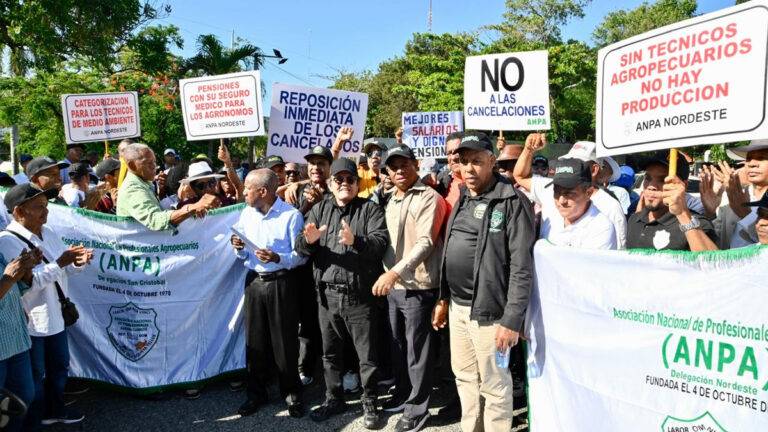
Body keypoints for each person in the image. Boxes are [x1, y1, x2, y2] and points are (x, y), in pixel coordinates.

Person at [432, 132, 535, 432]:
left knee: (494, 385)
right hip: (459, 310)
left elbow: (522, 266)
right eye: (464, 162)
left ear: (492, 161)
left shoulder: (512, 201)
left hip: (493, 315)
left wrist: (512, 319)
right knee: (465, 378)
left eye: (477, 161)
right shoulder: (463, 196)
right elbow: (450, 249)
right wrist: (443, 298)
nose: (469, 169)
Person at [295, 158, 389, 429]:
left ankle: (370, 401)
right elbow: (301, 247)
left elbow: (380, 243)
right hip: (327, 297)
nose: (344, 184)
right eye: (339, 179)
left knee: (367, 356)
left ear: (357, 184)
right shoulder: (319, 210)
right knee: (330, 354)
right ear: (330, 183)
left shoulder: (370, 209)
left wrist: (356, 241)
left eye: (350, 179)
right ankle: (333, 398)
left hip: (359, 296)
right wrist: (309, 242)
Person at [0, 183, 94, 429]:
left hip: (56, 317)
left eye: (46, 206)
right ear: (20, 211)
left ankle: (55, 410)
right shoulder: (7, 241)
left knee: (59, 367)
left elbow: (61, 274)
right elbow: (28, 283)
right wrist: (60, 263)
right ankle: (34, 420)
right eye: (38, 207)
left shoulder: (48, 232)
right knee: (33, 379)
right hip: (32, 321)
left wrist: (78, 263)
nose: (46, 212)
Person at [373, 145, 446, 432]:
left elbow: (426, 242)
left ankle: (418, 409)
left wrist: (393, 273)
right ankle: (404, 394)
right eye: (393, 166)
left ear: (416, 165)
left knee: (418, 351)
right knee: (398, 346)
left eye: (405, 164)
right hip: (394, 285)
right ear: (387, 172)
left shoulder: (430, 197)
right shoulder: (390, 199)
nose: (399, 170)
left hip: (418, 284)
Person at [230, 169, 306, 419]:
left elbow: (300, 256)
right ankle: (256, 393)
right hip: (254, 282)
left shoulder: (291, 216)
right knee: (255, 341)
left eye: (248, 188)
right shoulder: (246, 213)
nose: (244, 192)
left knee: (284, 341)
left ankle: (292, 393)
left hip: (280, 283)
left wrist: (278, 257)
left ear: (263, 191)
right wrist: (238, 247)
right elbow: (239, 249)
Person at [514, 134, 620, 249]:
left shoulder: (606, 220)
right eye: (557, 192)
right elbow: (520, 176)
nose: (561, 200)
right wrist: (528, 150)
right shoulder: (548, 190)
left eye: (570, 193)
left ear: (588, 193)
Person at [627, 153, 718, 251]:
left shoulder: (699, 224)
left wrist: (682, 214)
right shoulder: (634, 219)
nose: (651, 186)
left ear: (684, 185)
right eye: (648, 178)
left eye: (663, 180)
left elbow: (712, 263)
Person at [116, 143, 217, 231]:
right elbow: (155, 220)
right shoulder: (132, 189)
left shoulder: (144, 184)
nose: (154, 166)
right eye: (148, 163)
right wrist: (193, 207)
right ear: (132, 165)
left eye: (154, 162)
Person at [0, 224, 42, 432]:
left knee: (24, 397)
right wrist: (9, 278)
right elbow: (7, 282)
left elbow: (17, 289)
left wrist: (26, 272)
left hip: (15, 338)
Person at [704, 139, 768, 248]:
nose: (752, 164)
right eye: (748, 159)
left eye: (761, 158)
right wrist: (710, 213)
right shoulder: (732, 194)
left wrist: (745, 215)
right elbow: (716, 238)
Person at [332, 127, 383, 198]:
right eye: (370, 153)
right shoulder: (360, 174)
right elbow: (333, 168)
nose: (374, 156)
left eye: (378, 153)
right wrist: (338, 144)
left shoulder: (396, 176)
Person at [284, 145, 333, 215]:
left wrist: (320, 204)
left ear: (330, 167)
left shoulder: (336, 194)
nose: (316, 167)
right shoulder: (296, 191)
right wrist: (307, 206)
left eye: (321, 163)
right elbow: (291, 222)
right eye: (312, 163)